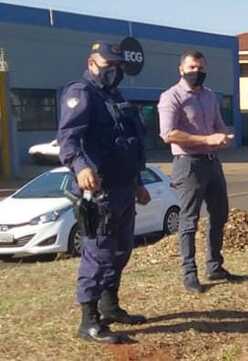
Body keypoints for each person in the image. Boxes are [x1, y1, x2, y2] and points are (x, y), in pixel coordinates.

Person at [58, 41, 150, 344]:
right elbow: (69, 139)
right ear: (92, 63)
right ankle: (89, 321)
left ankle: (110, 307)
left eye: (118, 66)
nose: (115, 71)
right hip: (99, 191)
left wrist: (137, 182)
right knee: (97, 254)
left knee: (121, 250)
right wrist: (80, 166)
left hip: (123, 187)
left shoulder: (114, 96)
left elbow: (127, 142)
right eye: (109, 65)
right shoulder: (81, 93)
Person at [158, 49, 235, 293]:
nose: (197, 72)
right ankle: (189, 274)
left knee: (219, 214)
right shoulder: (171, 97)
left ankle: (214, 266)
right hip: (188, 163)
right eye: (192, 67)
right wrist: (206, 139)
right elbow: (168, 134)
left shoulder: (211, 96)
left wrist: (223, 137)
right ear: (181, 69)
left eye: (201, 68)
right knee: (189, 221)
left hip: (212, 162)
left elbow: (219, 126)